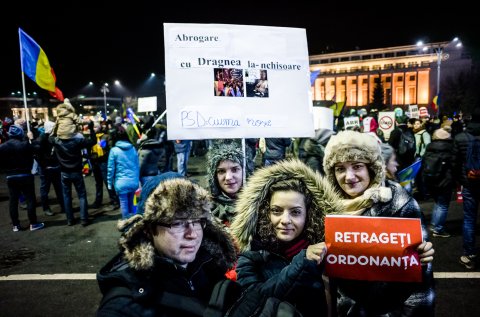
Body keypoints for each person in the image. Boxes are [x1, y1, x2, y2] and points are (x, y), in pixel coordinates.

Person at [322, 130, 435, 316]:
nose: (349, 177)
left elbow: (420, 288)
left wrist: (421, 258)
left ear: (371, 168)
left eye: (357, 166)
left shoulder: (400, 203)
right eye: (340, 168)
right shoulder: (325, 207)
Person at [96, 176, 237, 317]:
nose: (192, 234)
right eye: (178, 223)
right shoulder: (125, 305)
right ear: (148, 229)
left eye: (196, 220)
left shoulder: (209, 264)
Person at [230, 159, 342, 317]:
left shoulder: (325, 255)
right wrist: (303, 261)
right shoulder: (250, 258)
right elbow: (253, 300)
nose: (285, 220)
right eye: (276, 211)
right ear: (265, 212)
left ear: (309, 215)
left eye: (295, 212)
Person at [49, 108, 96, 227]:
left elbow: (49, 137)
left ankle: (70, 220)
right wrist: (91, 128)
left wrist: (57, 125)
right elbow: (93, 141)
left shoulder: (56, 141)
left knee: (66, 196)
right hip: (76, 172)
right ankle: (84, 219)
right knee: (81, 195)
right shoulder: (78, 141)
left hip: (64, 173)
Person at [0, 125, 44, 232]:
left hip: (11, 176)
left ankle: (16, 225)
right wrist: (31, 139)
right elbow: (38, 149)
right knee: (30, 199)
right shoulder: (25, 145)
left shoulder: (2, 147)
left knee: (13, 201)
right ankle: (33, 223)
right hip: (25, 175)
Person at [453, 107, 480, 269]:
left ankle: (469, 254)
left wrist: (459, 180)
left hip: (469, 183)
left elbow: (455, 163)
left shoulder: (461, 137)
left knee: (469, 219)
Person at [423, 126, 455, 238]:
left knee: (437, 202)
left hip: (431, 179)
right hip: (445, 181)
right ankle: (438, 228)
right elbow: (454, 165)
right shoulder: (450, 148)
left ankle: (434, 224)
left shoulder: (429, 147)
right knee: (443, 205)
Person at [206, 142, 244, 226]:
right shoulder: (205, 208)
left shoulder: (259, 204)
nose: (228, 177)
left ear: (245, 172)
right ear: (214, 176)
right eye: (221, 171)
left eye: (234, 169)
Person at [107, 126, 140, 220]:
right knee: (131, 203)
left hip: (121, 183)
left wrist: (109, 184)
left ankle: (126, 224)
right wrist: (137, 180)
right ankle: (133, 223)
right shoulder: (133, 148)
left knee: (124, 203)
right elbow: (137, 165)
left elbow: (110, 169)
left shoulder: (114, 151)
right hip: (133, 182)